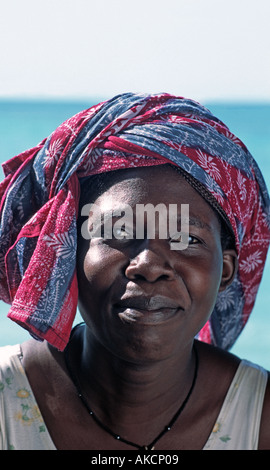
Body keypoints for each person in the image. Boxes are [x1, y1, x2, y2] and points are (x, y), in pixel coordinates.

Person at [0, 93, 269, 450]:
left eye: (187, 237)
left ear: (226, 271)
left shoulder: (261, 419)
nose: (148, 266)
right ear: (66, 255)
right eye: (118, 232)